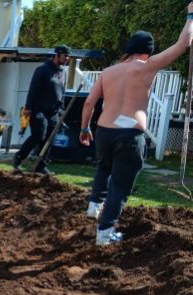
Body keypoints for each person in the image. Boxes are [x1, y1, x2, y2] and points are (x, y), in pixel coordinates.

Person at [80, 4, 193, 246]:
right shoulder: (148, 66)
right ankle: (105, 231)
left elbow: (89, 102)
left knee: (103, 166)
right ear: (147, 52)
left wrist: (84, 128)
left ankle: (94, 205)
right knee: (120, 185)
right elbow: (184, 43)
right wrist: (191, 16)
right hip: (129, 135)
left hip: (104, 131)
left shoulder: (108, 71)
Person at [12, 45, 71, 174]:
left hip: (54, 112)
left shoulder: (63, 73)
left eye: (68, 56)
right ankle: (19, 156)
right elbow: (33, 89)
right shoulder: (43, 70)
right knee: (39, 135)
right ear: (57, 55)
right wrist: (28, 107)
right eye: (65, 55)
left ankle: (41, 165)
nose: (67, 58)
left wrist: (61, 110)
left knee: (48, 139)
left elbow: (63, 93)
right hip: (39, 110)